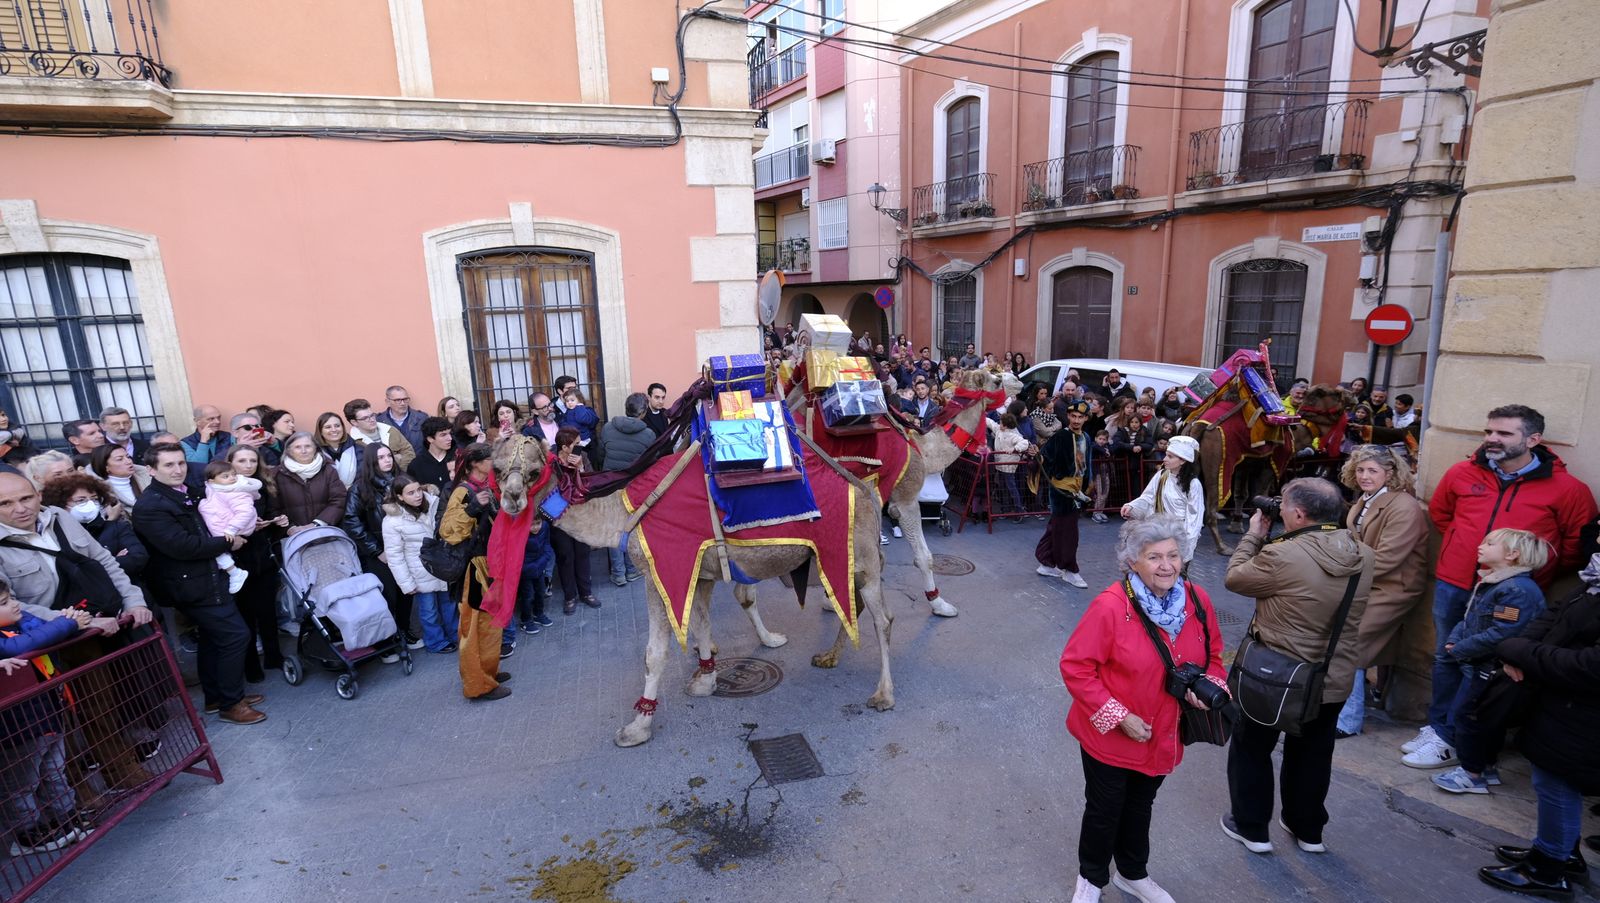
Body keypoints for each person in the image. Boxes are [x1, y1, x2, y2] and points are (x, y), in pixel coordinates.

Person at [1405, 405, 1598, 765]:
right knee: (1446, 654)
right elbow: (1443, 515)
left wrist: (1539, 572)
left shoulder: (1568, 489)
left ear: (1533, 439)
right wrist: (1464, 550)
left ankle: (1459, 738)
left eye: (1505, 433)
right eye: (1489, 431)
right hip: (1454, 583)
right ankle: (1439, 726)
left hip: (1511, 593)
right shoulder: (1463, 473)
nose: (1492, 439)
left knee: (1484, 664)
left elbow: (1576, 545)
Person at [1060, 516, 1227, 903]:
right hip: (1112, 735)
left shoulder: (1197, 600)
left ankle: (1132, 874)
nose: (1166, 565)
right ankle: (1091, 878)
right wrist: (1120, 717)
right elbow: (1075, 666)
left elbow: (1215, 657)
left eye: (1173, 555)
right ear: (1133, 562)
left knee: (1140, 805)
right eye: (1154, 557)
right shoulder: (1111, 607)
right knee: (1104, 809)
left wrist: (1209, 689)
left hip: (1164, 733)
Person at [1221, 478, 1374, 855]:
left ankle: (1252, 827)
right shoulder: (1364, 554)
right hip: (1333, 676)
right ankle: (1308, 830)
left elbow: (1235, 579)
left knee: (1252, 747)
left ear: (1299, 514)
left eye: (1285, 506)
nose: (1281, 510)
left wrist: (1255, 536)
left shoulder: (1283, 554)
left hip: (1277, 676)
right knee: (1313, 753)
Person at [1478, 549, 1600, 899]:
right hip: (1562, 703)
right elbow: (1553, 615)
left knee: (1557, 783)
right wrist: (1515, 648)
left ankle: (1547, 870)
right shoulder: (1594, 576)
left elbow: (1592, 666)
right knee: (1552, 781)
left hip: (1585, 712)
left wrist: (1521, 656)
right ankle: (1562, 853)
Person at [133, 445, 263, 724]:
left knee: (213, 638)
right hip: (189, 583)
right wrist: (229, 540)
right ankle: (231, 703)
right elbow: (182, 546)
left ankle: (217, 696)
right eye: (169, 465)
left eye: (181, 463)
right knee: (235, 635)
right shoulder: (151, 505)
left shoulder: (184, 492)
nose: (178, 470)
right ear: (151, 470)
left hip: (207, 576)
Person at [1425, 529, 1549, 791]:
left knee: (1471, 717)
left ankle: (1473, 774)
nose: (1481, 545)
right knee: (1480, 717)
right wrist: (1456, 638)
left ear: (1513, 555)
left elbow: (1501, 633)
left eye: (1490, 543)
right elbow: (1470, 617)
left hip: (1493, 666)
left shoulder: (1517, 589)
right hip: (1480, 662)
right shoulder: (1495, 581)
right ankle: (1485, 766)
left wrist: (1460, 647)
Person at [1331, 445, 1429, 738]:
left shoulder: (1403, 506)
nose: (1364, 476)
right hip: (1368, 579)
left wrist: (1339, 570)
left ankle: (1348, 720)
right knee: (1343, 638)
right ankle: (1346, 706)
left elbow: (1387, 559)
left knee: (1349, 642)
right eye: (1360, 470)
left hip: (1393, 586)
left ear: (1390, 472)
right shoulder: (1366, 499)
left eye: (1372, 470)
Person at [0, 580, 93, 856]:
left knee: (54, 769)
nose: (15, 604)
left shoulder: (19, 623)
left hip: (49, 709)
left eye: (11, 598)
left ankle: (66, 818)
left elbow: (37, 628)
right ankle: (27, 832)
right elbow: (20, 647)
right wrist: (68, 624)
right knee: (22, 781)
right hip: (19, 723)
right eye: (4, 603)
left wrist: (68, 620)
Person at [439, 443, 508, 699]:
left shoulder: (486, 486)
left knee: (490, 623)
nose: (494, 462)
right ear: (475, 464)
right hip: (472, 568)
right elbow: (447, 531)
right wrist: (471, 508)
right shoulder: (461, 491)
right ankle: (477, 686)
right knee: (473, 626)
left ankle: (488, 671)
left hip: (489, 562)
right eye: (490, 459)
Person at [341, 443, 419, 658]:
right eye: (380, 458)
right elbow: (352, 522)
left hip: (405, 546)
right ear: (371, 462)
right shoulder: (360, 488)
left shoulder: (402, 480)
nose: (387, 460)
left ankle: (405, 631)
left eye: (389, 455)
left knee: (406, 592)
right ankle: (387, 641)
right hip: (380, 550)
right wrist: (376, 551)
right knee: (387, 596)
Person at [225, 445, 287, 681]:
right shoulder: (221, 490)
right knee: (245, 614)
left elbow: (275, 511)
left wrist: (275, 521)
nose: (248, 465)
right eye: (242, 461)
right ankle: (251, 665)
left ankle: (274, 656)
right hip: (238, 559)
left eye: (252, 460)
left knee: (267, 611)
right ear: (231, 462)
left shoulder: (264, 484)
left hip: (263, 554)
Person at [382, 474, 458, 654]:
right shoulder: (392, 521)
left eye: (418, 490)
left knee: (449, 605)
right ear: (400, 497)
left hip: (442, 565)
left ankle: (456, 635)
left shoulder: (434, 504)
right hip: (419, 571)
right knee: (429, 611)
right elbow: (394, 555)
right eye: (410, 493)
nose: (417, 495)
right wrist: (406, 583)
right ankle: (436, 642)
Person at [40, 473, 147, 581]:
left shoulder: (117, 527)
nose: (90, 503)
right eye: (81, 500)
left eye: (94, 499)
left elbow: (138, 558)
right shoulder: (57, 535)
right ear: (61, 503)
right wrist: (113, 560)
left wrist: (92, 566)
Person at [1120, 436, 1204, 564]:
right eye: (1166, 455)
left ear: (1183, 460)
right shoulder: (1161, 475)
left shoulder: (1193, 484)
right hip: (1158, 533)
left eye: (1170, 456)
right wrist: (1132, 506)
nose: (1164, 459)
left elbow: (1194, 519)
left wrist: (1186, 547)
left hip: (1178, 537)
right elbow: (1148, 497)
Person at [1036, 401, 1092, 588]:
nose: (1076, 420)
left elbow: (1087, 464)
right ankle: (1069, 570)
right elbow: (1046, 456)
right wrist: (1038, 456)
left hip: (1077, 489)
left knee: (1057, 526)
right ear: (1068, 416)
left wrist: (1086, 486)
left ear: (1085, 418)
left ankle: (1046, 562)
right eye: (1073, 416)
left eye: (1080, 417)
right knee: (1069, 531)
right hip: (1061, 489)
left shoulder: (1086, 437)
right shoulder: (1060, 436)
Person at [598, 393, 652, 586]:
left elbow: (600, 454)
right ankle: (631, 570)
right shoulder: (648, 435)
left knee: (614, 529)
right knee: (631, 528)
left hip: (610, 485)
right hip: (633, 488)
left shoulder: (607, 428)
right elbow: (649, 464)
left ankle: (618, 574)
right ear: (643, 412)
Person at [551, 428, 599, 614]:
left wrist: (580, 468)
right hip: (560, 517)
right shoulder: (552, 462)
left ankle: (586, 592)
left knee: (582, 554)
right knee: (565, 556)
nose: (580, 446)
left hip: (580, 515)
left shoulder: (583, 457)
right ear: (564, 447)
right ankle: (570, 596)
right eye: (576, 444)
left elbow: (592, 481)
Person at [197, 460, 258, 594]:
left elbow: (245, 512)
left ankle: (235, 573)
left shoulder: (235, 492)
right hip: (223, 526)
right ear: (212, 481)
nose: (232, 478)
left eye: (233, 474)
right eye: (225, 476)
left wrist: (231, 529)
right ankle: (234, 573)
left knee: (216, 552)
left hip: (232, 528)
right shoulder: (215, 490)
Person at [274, 433, 348, 534]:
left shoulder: (328, 470)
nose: (303, 451)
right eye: (298, 447)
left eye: (308, 446)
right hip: (292, 536)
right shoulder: (277, 474)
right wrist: (290, 529)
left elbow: (339, 500)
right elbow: (273, 509)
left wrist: (317, 524)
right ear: (289, 451)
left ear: (316, 448)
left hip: (326, 532)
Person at [345, 399, 416, 472]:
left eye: (372, 415)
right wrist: (396, 458)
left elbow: (410, 453)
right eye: (365, 418)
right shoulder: (352, 442)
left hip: (400, 476)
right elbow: (363, 469)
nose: (372, 420)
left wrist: (395, 470)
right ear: (354, 422)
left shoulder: (390, 430)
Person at [87, 444, 151, 510]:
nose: (129, 461)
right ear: (106, 467)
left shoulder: (148, 477)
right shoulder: (99, 491)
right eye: (119, 459)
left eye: (128, 457)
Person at [313, 412, 362, 488]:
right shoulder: (314, 453)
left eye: (337, 426)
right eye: (328, 427)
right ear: (320, 431)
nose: (334, 430)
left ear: (343, 427)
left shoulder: (359, 449)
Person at [408, 416, 455, 493]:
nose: (450, 438)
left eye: (450, 433)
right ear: (430, 439)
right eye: (443, 435)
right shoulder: (416, 465)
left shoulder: (459, 457)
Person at [377, 385, 428, 454]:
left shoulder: (422, 418)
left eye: (405, 399)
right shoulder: (379, 421)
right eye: (398, 400)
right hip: (393, 463)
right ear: (388, 402)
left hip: (419, 462)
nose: (403, 403)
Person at [559, 387, 600, 466]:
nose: (569, 403)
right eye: (567, 401)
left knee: (587, 464)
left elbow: (582, 419)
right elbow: (563, 424)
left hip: (585, 442)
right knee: (575, 464)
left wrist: (579, 407)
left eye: (572, 400)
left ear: (579, 400)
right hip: (572, 443)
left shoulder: (585, 410)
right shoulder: (567, 412)